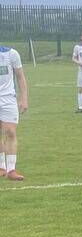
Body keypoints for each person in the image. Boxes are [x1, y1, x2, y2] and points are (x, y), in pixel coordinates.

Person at [0, 41, 29, 180]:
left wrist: (24, 98)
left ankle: (11, 170)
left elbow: (20, 77)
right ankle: (1, 167)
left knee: (10, 132)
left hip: (8, 99)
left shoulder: (11, 54)